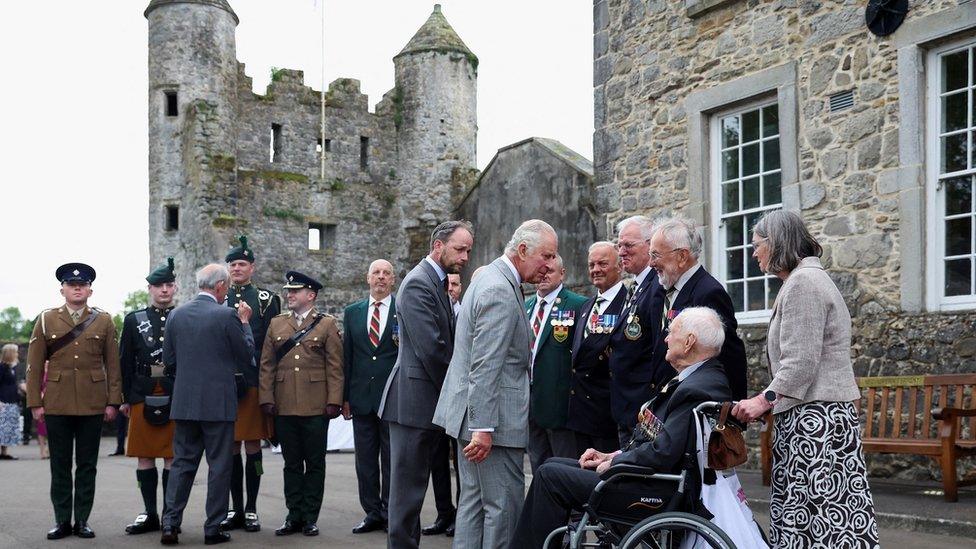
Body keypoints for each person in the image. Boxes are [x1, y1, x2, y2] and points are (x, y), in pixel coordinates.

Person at [509, 306, 733, 548]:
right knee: (553, 464)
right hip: (646, 477)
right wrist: (612, 455)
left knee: (549, 476)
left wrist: (616, 463)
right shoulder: (698, 379)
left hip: (653, 488)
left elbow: (664, 451)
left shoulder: (697, 387)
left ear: (689, 342)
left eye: (671, 332)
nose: (666, 338)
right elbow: (660, 443)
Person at [732, 210, 879, 548]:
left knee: (821, 519)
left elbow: (800, 363)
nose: (753, 253)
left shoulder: (803, 283)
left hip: (815, 420)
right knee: (828, 517)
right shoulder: (805, 280)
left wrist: (762, 401)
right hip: (816, 414)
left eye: (757, 246)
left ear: (777, 243)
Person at [434, 219, 559, 549]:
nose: (549, 265)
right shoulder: (499, 290)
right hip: (492, 425)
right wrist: (484, 427)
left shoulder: (489, 278)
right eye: (545, 256)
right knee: (503, 509)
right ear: (521, 250)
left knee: (474, 506)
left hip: (475, 419)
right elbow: (486, 365)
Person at [379, 220, 473, 548]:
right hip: (413, 403)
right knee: (406, 497)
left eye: (468, 250)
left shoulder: (436, 282)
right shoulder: (419, 283)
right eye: (459, 248)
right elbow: (433, 350)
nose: (464, 256)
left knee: (413, 492)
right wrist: (460, 389)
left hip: (423, 403)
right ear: (438, 246)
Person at [25, 262, 122, 540]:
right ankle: (61, 521)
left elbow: (112, 366)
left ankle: (82, 520)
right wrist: (35, 402)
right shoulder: (46, 319)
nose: (77, 288)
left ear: (90, 290)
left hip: (93, 403)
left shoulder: (103, 320)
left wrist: (113, 401)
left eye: (82, 285)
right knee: (60, 465)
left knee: (87, 465)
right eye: (71, 284)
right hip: (56, 402)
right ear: (62, 289)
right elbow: (33, 365)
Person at [160, 263, 254, 546]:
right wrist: (246, 323)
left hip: (186, 402)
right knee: (219, 466)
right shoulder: (227, 315)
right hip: (218, 403)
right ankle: (212, 527)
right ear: (221, 286)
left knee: (182, 465)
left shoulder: (176, 314)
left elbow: (169, 361)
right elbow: (246, 354)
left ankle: (170, 524)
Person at [260, 271, 343, 537]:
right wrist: (266, 399)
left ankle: (310, 517)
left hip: (316, 406)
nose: (289, 295)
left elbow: (335, 367)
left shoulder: (326, 324)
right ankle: (293, 515)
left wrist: (334, 401)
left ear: (311, 295)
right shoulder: (276, 324)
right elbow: (267, 366)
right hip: (284, 405)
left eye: (295, 291)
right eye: (288, 291)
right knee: (291, 464)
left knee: (315, 463)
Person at [647, 217, 748, 399]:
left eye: (655, 255)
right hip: (669, 403)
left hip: (696, 405)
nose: (650, 263)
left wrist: (729, 416)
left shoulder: (708, 293)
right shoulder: (661, 291)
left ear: (682, 256)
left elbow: (728, 358)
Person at [222, 234, 281, 533]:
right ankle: (234, 508)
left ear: (252, 267)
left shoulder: (267, 300)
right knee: (231, 446)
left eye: (242, 264)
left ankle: (252, 508)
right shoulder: (219, 298)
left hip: (255, 380)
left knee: (253, 445)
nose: (236, 268)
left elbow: (273, 345)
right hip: (225, 382)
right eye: (232, 264)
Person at [118, 258, 179, 535]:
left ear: (175, 287)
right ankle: (149, 512)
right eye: (158, 286)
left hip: (175, 392)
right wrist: (124, 398)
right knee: (144, 456)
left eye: (168, 285)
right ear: (150, 289)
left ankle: (169, 514)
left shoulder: (184, 316)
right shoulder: (134, 321)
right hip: (142, 393)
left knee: (171, 457)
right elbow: (124, 362)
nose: (164, 290)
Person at [342, 260, 398, 534]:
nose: (381, 277)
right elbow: (347, 357)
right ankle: (371, 512)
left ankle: (389, 512)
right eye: (376, 272)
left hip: (392, 398)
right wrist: (344, 398)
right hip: (361, 398)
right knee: (365, 460)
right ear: (367, 278)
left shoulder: (403, 310)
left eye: (386, 273)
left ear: (393, 280)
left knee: (391, 460)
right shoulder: (353, 312)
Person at [524, 254, 587, 473]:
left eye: (549, 271)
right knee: (537, 464)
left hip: (560, 405)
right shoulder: (526, 305)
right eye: (540, 271)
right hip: (530, 402)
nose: (543, 275)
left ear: (562, 274)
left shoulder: (579, 305)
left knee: (564, 467)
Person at [567, 242, 627, 455]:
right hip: (580, 413)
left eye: (603, 263)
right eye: (591, 264)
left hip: (606, 415)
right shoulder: (587, 306)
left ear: (619, 266)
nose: (595, 269)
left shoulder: (627, 305)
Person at [608, 215, 661, 447]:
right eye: (619, 245)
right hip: (627, 406)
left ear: (650, 246)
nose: (621, 252)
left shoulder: (657, 286)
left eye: (628, 245)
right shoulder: (637, 286)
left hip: (642, 407)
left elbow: (658, 348)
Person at [425, 272, 463, 538]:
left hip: (460, 396)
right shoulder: (434, 314)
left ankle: (463, 516)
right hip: (436, 397)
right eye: (447, 284)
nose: (451, 289)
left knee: (461, 462)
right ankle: (443, 513)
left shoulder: (467, 312)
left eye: (456, 284)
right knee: (437, 459)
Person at [0, 343, 22, 460]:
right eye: (15, 352)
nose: (17, 354)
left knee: (8, 428)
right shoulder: (2, 367)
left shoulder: (12, 368)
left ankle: (4, 452)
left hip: (12, 400)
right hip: (4, 401)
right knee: (2, 427)